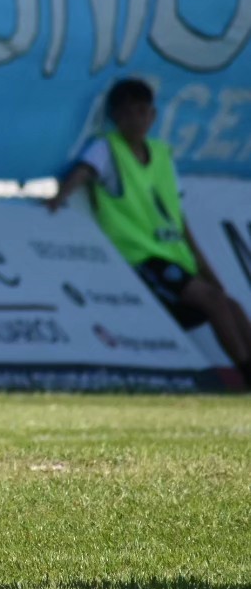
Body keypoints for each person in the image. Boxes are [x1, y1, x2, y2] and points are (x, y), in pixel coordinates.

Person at [46, 78, 251, 390]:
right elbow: (84, 171)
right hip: (141, 259)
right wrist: (60, 195)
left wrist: (207, 269)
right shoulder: (107, 149)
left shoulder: (162, 155)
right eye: (129, 113)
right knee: (213, 301)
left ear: (153, 116)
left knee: (230, 303)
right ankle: (246, 372)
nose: (137, 119)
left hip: (173, 257)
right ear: (116, 117)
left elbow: (178, 219)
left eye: (143, 112)